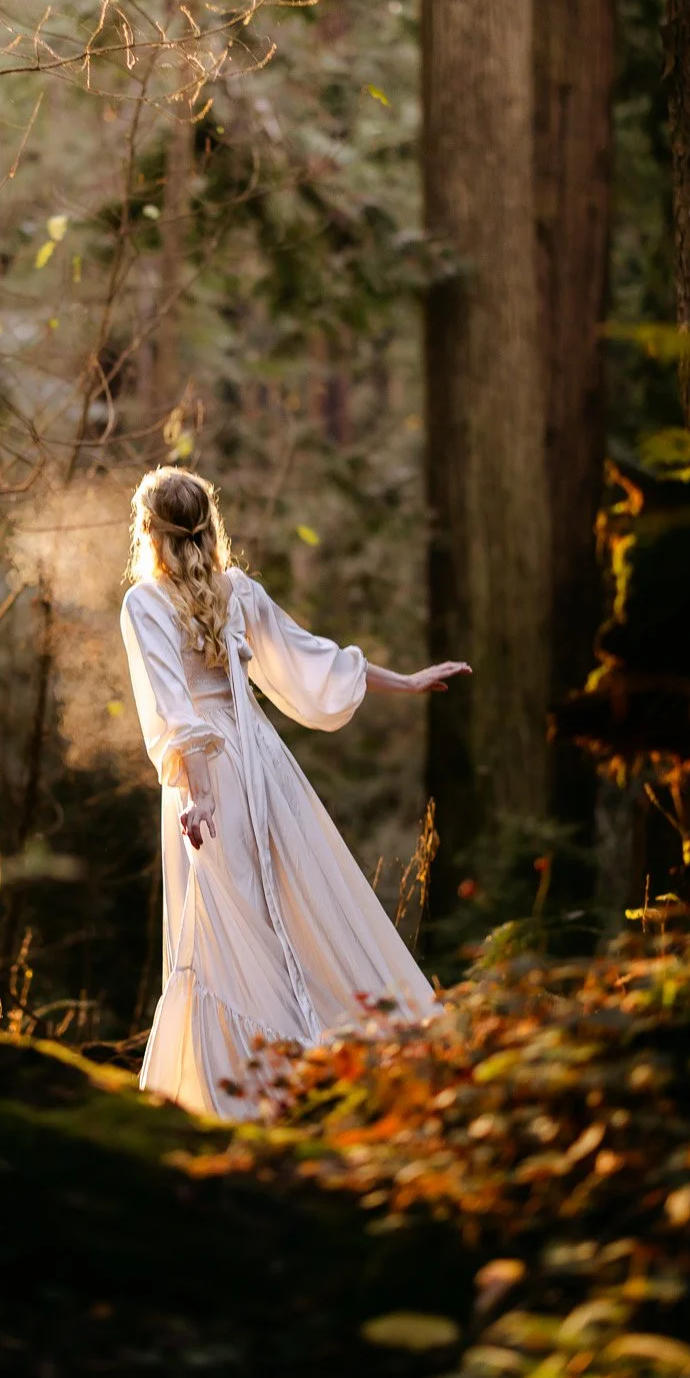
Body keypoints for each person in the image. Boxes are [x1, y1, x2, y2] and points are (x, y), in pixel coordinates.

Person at [120, 465, 470, 1119]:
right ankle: (305, 1065)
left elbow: (175, 713)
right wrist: (410, 680)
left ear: (148, 531)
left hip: (212, 781)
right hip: (265, 767)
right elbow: (316, 663)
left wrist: (197, 796)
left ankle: (256, 1087)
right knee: (288, 907)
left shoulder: (145, 602)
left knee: (229, 925)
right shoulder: (237, 590)